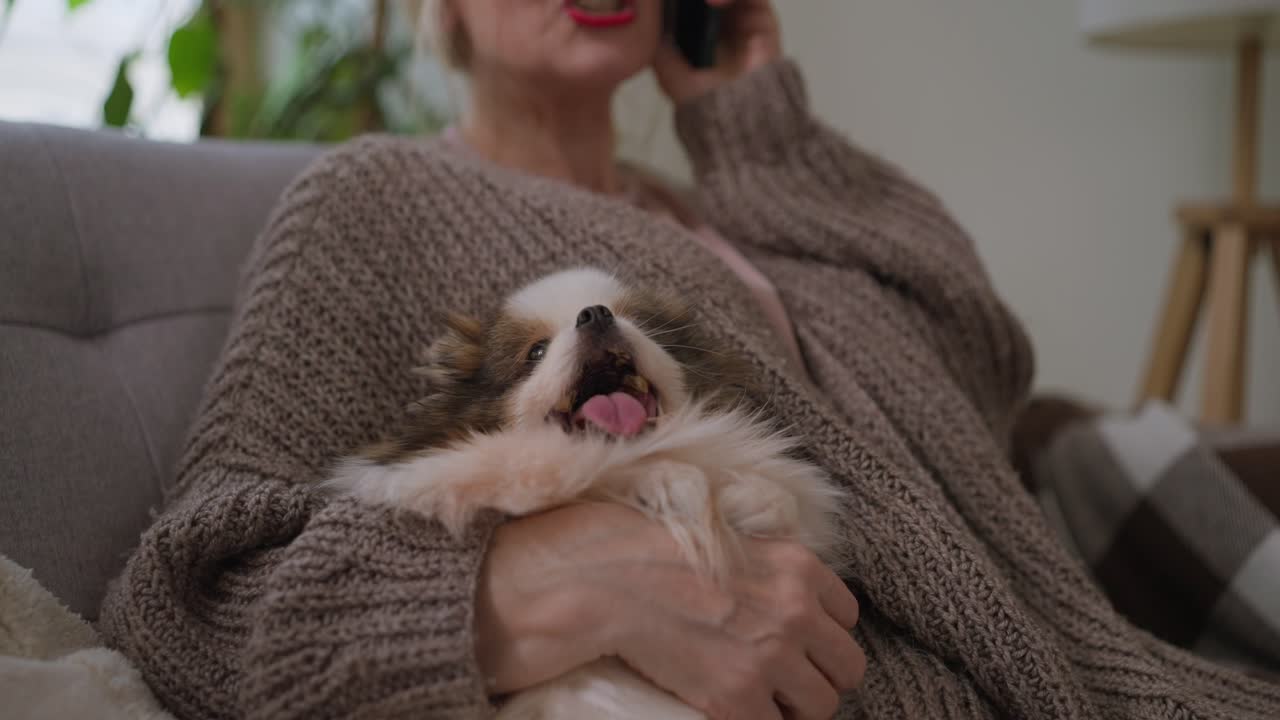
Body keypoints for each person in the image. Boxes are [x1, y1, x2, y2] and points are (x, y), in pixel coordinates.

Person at [99, 1, 1280, 718]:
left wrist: (751, 117)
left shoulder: (741, 202)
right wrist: (542, 592)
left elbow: (977, 367)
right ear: (441, 8)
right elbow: (190, 600)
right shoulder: (375, 196)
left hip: (1064, 659)